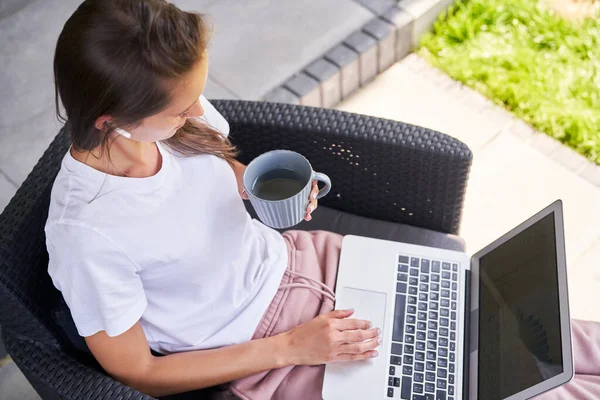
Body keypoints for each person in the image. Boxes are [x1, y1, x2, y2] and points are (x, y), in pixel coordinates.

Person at [46, 1, 380, 399]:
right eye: (180, 110)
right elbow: (139, 372)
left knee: (437, 320)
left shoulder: (169, 116)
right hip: (260, 348)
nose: (197, 110)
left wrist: (253, 185)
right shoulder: (86, 236)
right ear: (110, 121)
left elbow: (214, 167)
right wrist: (292, 347)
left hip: (302, 257)